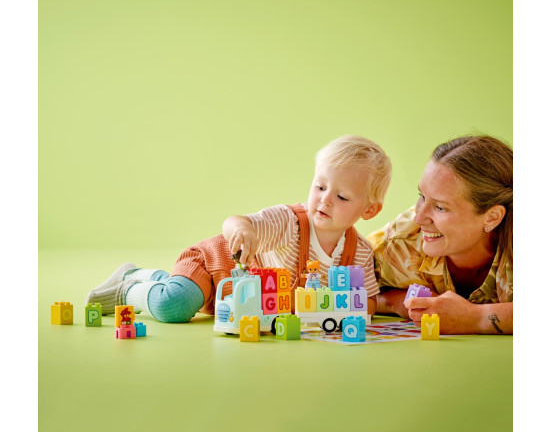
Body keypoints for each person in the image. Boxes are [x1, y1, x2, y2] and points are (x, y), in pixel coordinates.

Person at [85, 135, 392, 322]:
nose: (324, 200)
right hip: (215, 267)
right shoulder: (289, 223)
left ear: (369, 210)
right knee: (174, 306)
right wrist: (242, 231)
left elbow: (363, 303)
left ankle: (155, 281)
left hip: (241, 306)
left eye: (341, 197)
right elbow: (236, 222)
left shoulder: (359, 253)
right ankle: (133, 282)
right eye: (320, 186)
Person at [368, 135, 512, 334]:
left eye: (441, 208)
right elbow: (342, 289)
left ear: (492, 217)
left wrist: (475, 318)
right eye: (422, 197)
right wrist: (398, 301)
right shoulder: (399, 243)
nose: (419, 218)